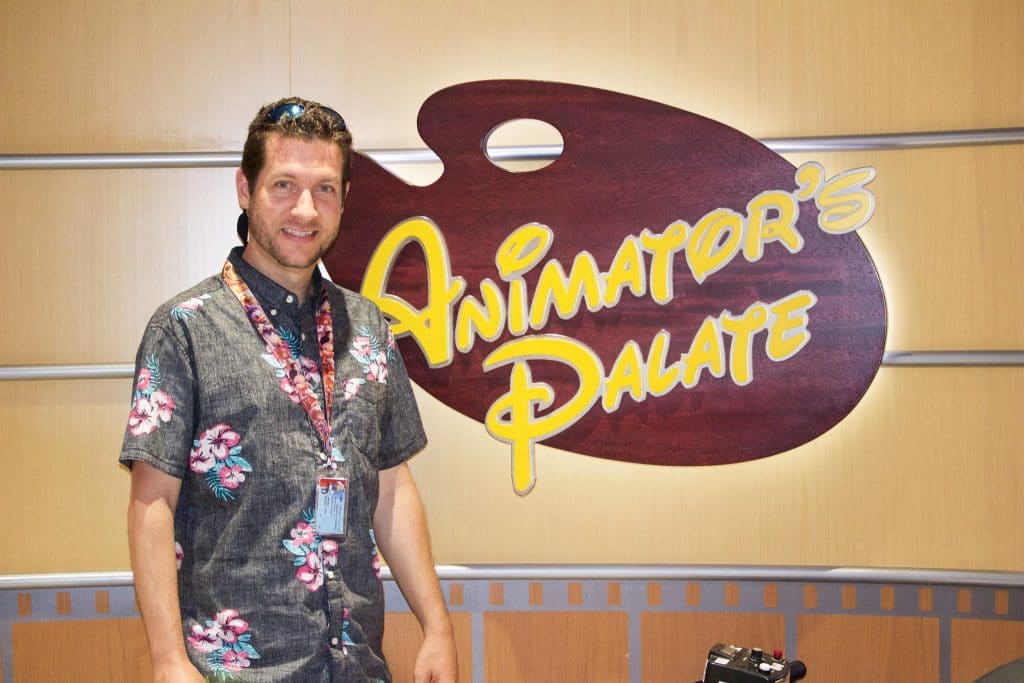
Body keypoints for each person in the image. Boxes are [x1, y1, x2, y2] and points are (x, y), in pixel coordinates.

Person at [120, 97, 457, 682]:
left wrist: (437, 627)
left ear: (345, 199)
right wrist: (168, 659)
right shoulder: (184, 329)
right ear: (244, 190)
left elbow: (393, 487)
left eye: (325, 189)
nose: (305, 209)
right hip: (234, 670)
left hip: (354, 666)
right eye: (284, 185)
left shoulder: (370, 328)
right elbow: (151, 504)